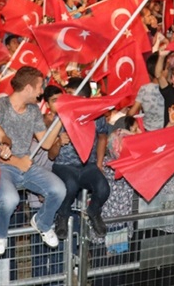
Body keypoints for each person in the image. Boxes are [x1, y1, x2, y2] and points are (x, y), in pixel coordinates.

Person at [0, 66, 65, 256]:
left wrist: (62, 118)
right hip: (2, 166)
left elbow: (46, 143)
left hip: (26, 167)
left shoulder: (33, 111)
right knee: (10, 199)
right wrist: (16, 162)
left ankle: (42, 223)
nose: (41, 92)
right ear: (29, 88)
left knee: (59, 190)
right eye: (40, 87)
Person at [46, 78, 111, 239]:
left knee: (103, 188)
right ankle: (62, 215)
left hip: (88, 166)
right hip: (64, 166)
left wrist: (99, 163)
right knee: (71, 186)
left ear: (80, 98)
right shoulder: (61, 117)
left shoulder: (96, 115)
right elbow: (51, 154)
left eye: (68, 95)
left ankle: (94, 212)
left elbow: (103, 136)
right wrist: (59, 142)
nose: (63, 99)